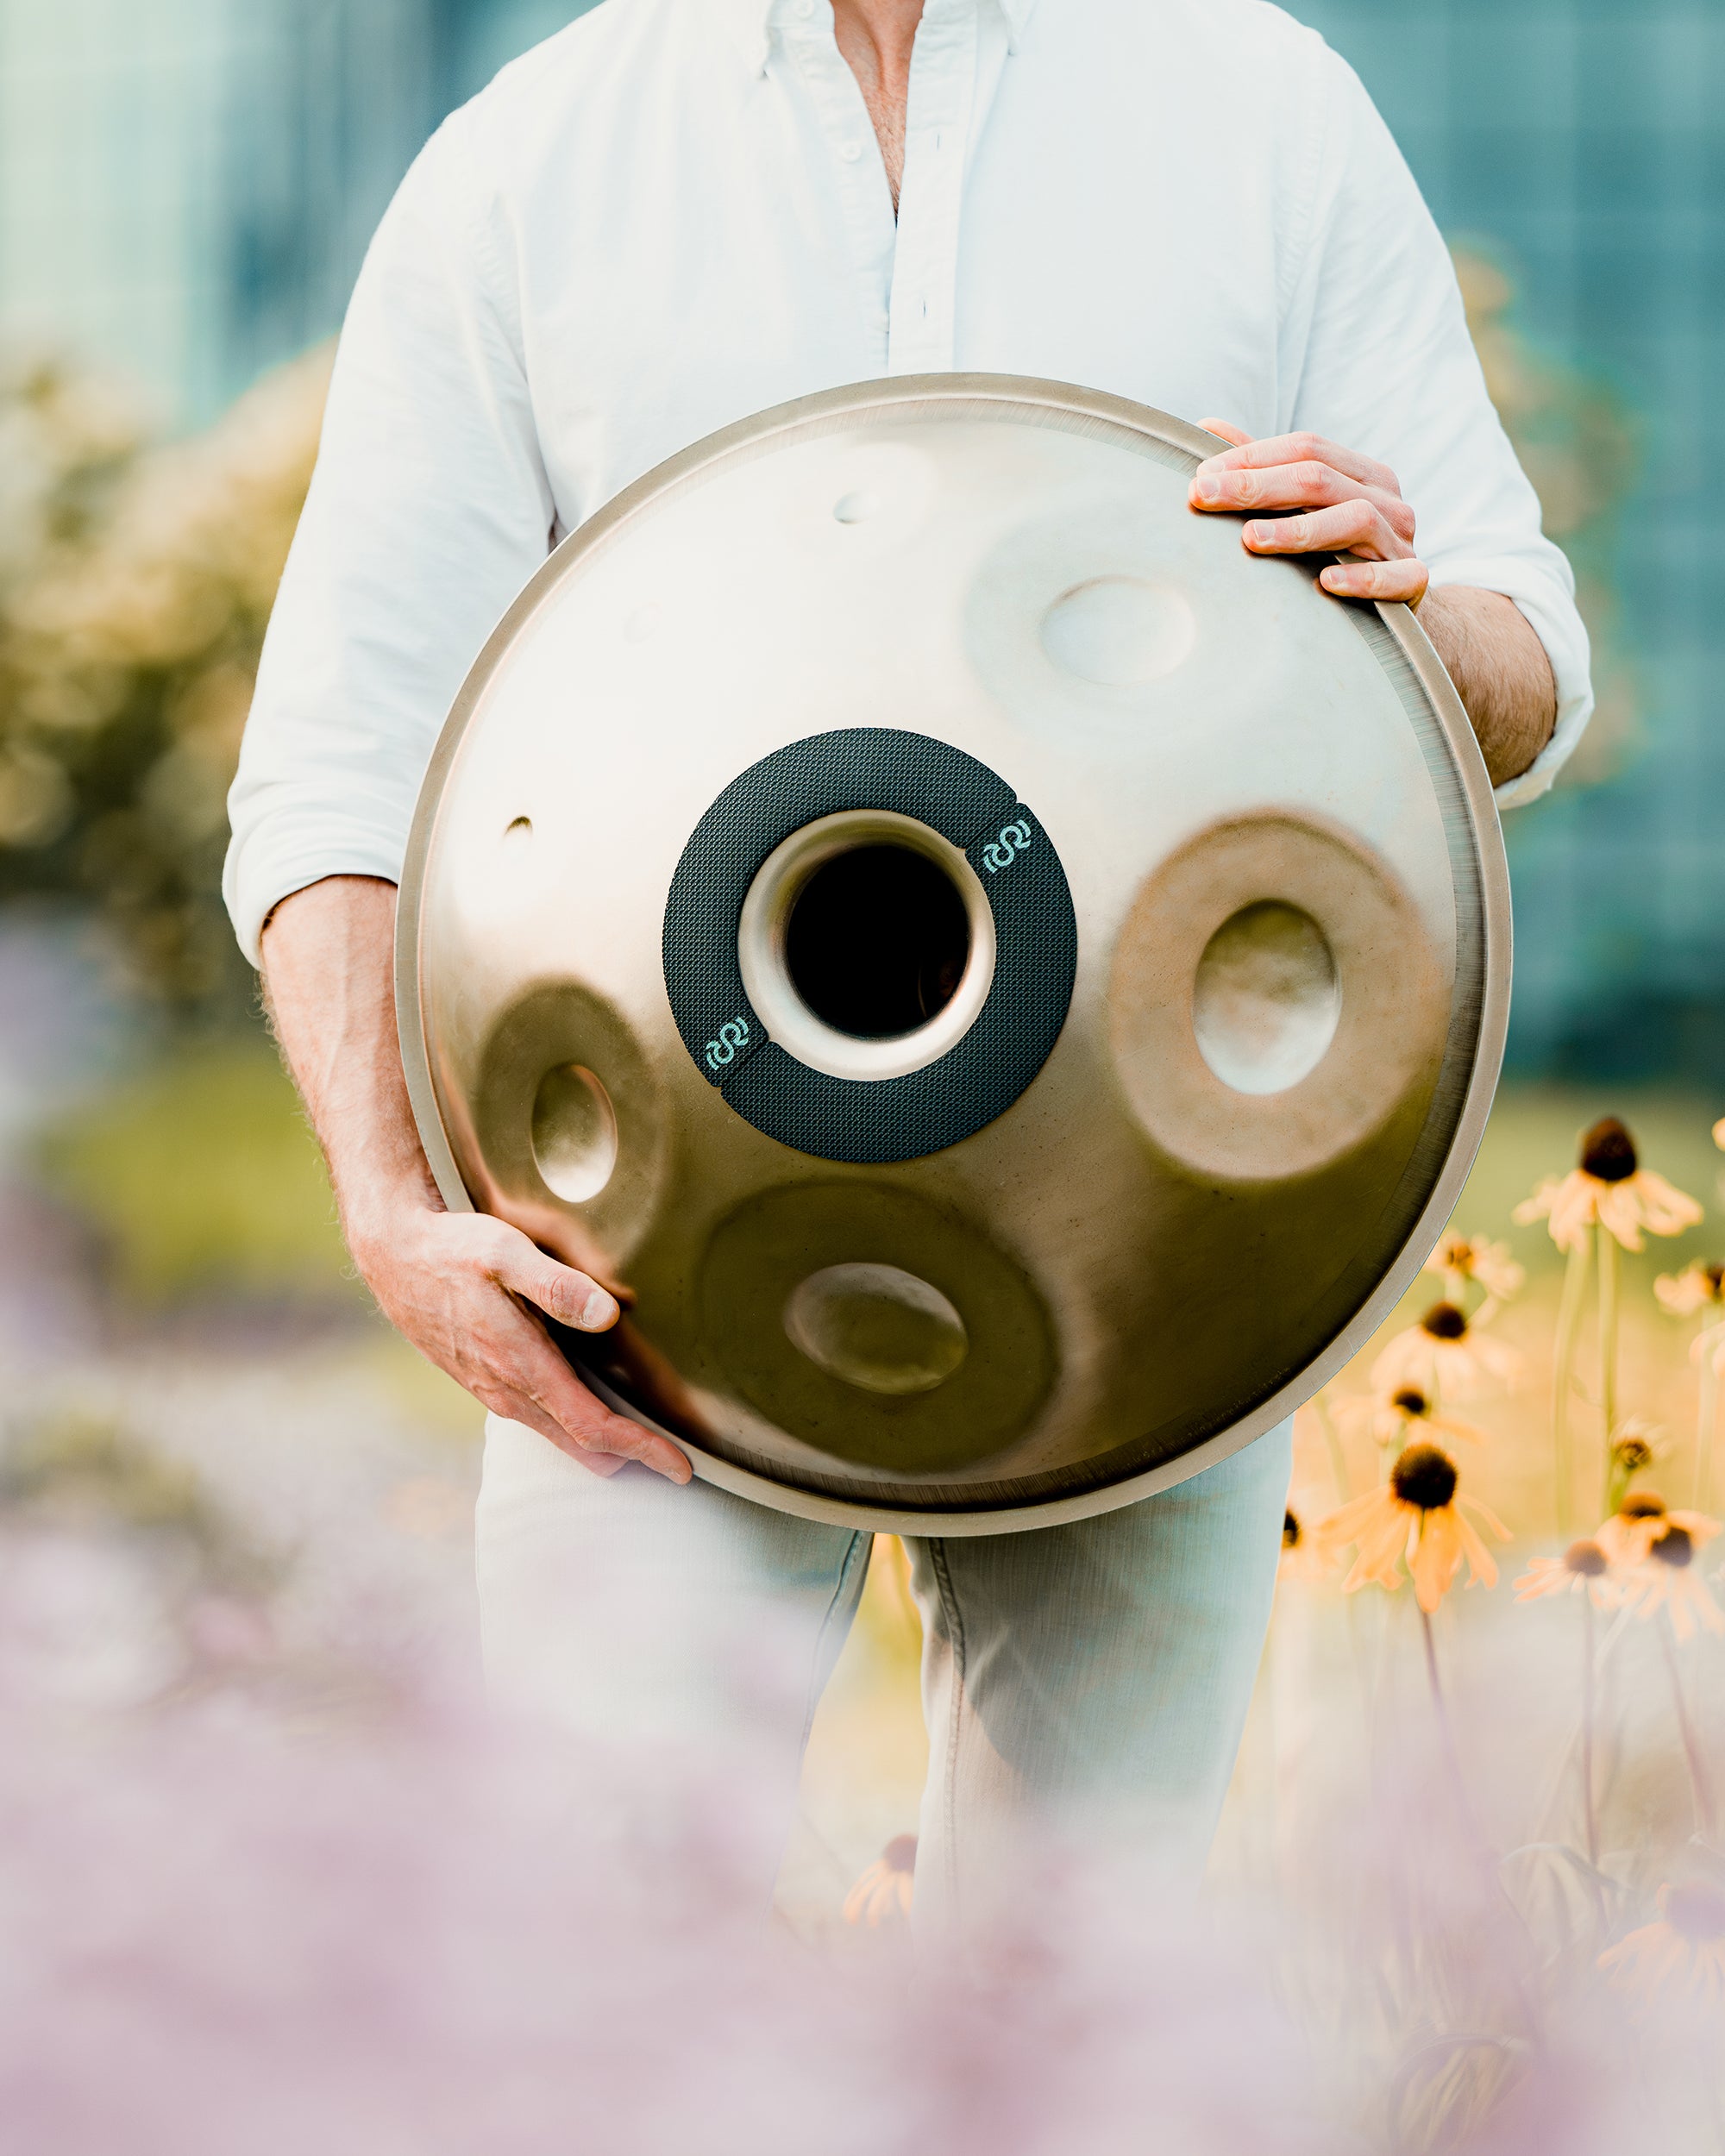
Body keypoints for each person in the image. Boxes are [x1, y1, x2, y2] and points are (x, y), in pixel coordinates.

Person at [225, 0, 1591, 1929]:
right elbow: (343, 758)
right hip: (632, 1285)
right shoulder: (528, 161)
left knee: (1077, 2000)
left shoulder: (1261, 103)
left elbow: (1528, 669)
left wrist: (1394, 602)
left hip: (1143, 1246)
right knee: (590, 1970)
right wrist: (387, 1204)